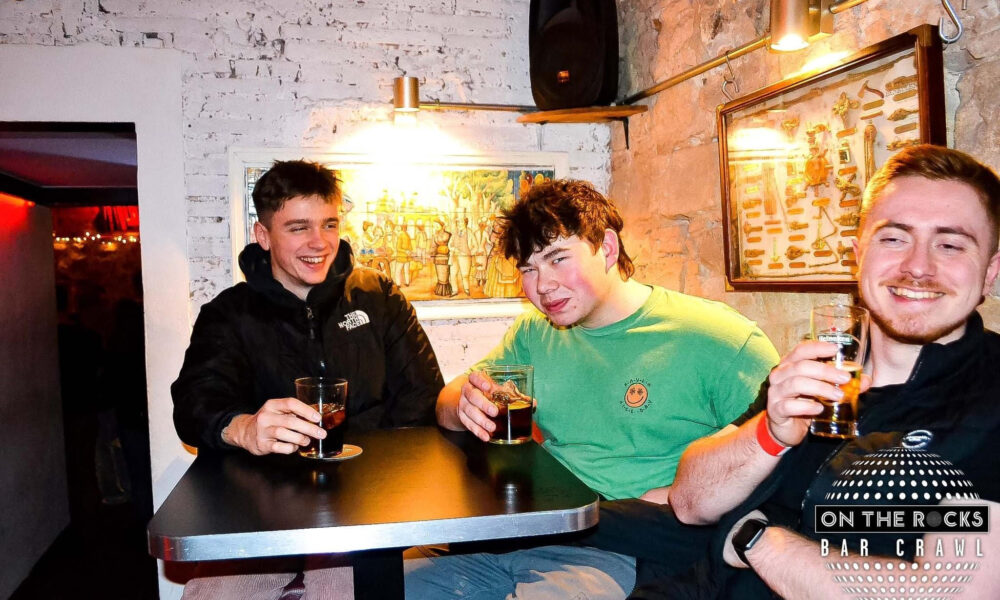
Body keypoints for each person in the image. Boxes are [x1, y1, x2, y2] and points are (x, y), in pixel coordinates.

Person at [652, 145, 1000, 599]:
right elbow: (691, 502)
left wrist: (757, 540)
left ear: (990, 272)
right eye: (894, 238)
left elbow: (946, 590)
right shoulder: (820, 365)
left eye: (950, 244)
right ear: (858, 255)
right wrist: (771, 432)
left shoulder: (989, 401)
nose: (918, 266)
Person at [405, 179, 779, 599]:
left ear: (608, 249)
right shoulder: (534, 333)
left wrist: (685, 495)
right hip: (527, 527)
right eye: (528, 268)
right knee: (376, 583)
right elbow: (446, 404)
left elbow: (784, 462)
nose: (542, 285)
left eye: (557, 258)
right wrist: (464, 403)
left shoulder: (719, 339)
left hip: (625, 547)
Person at [171, 160, 443, 599]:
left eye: (329, 224)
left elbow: (422, 399)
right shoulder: (228, 314)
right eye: (298, 227)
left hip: (366, 509)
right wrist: (244, 428)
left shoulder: (380, 297)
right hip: (261, 512)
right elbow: (193, 406)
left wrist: (376, 477)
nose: (319, 243)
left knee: (340, 591)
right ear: (264, 236)